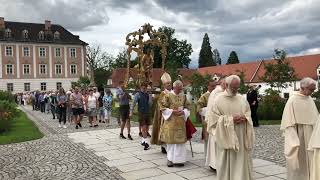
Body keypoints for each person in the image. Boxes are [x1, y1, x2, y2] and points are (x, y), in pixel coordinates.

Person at [207, 75, 255, 180]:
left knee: (241, 161)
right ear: (227, 85)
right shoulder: (218, 100)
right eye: (233, 87)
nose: (235, 90)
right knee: (227, 163)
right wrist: (230, 120)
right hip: (226, 138)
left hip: (241, 137)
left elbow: (248, 113)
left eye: (237, 87)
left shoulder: (242, 99)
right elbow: (213, 121)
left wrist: (245, 118)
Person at [281, 77, 318, 180]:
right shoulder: (292, 100)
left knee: (311, 163)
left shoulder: (309, 99)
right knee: (300, 164)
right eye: (311, 89)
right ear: (303, 87)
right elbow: (289, 123)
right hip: (299, 136)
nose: (312, 92)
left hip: (311, 136)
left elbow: (315, 118)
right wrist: (293, 142)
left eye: (313, 89)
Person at [159, 80, 190, 167]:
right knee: (171, 142)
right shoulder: (167, 96)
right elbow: (162, 108)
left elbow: (188, 107)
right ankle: (170, 159)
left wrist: (184, 112)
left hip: (180, 122)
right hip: (171, 122)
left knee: (180, 143)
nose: (180, 91)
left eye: (181, 89)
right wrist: (172, 111)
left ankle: (180, 160)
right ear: (174, 87)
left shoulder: (183, 96)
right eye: (179, 89)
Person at [205, 77, 226, 171]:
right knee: (215, 144)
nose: (227, 85)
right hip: (216, 123)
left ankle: (224, 164)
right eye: (226, 83)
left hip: (225, 122)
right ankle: (214, 165)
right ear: (221, 83)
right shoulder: (216, 93)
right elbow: (213, 109)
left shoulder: (227, 92)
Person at [151, 72, 172, 154]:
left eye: (170, 83)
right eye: (167, 83)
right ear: (164, 85)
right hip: (164, 116)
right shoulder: (163, 94)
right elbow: (160, 105)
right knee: (163, 131)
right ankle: (164, 146)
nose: (169, 85)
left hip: (173, 115)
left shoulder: (173, 93)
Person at [196, 80, 217, 160]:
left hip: (217, 122)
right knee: (208, 140)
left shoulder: (218, 95)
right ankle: (208, 158)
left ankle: (215, 158)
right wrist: (209, 110)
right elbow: (199, 108)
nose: (214, 87)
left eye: (215, 86)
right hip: (207, 122)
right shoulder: (204, 96)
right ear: (208, 86)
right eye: (212, 86)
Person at [130, 82, 153, 150]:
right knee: (144, 128)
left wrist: (150, 96)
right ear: (140, 88)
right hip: (141, 113)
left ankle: (143, 140)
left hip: (147, 113)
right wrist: (131, 112)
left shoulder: (147, 94)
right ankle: (146, 143)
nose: (144, 89)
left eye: (145, 88)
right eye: (143, 88)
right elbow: (133, 103)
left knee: (147, 128)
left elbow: (150, 104)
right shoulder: (138, 94)